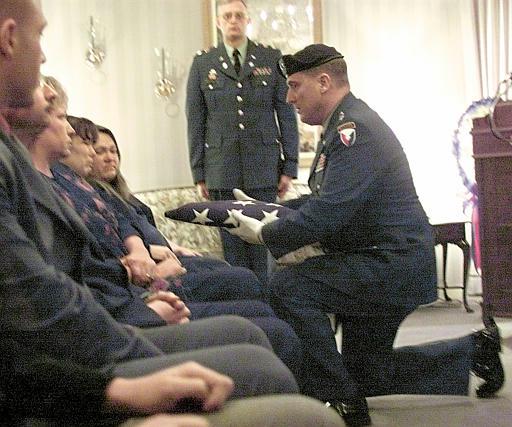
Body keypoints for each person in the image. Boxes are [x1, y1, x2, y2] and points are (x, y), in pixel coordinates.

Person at [0, 3, 344, 426]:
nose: (44, 58)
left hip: (77, 355)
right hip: (72, 360)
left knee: (257, 321)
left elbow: (100, 246)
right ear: (9, 38)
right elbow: (40, 305)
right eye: (39, 36)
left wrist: (117, 388)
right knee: (284, 383)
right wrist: (135, 353)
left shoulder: (22, 160)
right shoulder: (15, 163)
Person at [228, 44, 505, 426]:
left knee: (289, 286)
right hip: (382, 259)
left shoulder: (354, 130)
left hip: (391, 264)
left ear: (324, 82)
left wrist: (266, 234)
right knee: (365, 374)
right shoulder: (343, 124)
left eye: (295, 85)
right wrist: (264, 209)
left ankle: (342, 402)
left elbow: (330, 211)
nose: (289, 97)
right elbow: (326, 200)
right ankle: (475, 351)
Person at [15, 86, 302, 380]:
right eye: (61, 117)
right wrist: (144, 297)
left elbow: (118, 226)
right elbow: (73, 286)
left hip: (126, 299)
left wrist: (142, 255)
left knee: (256, 306)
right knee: (267, 331)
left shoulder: (62, 177)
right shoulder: (31, 190)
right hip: (120, 314)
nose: (71, 129)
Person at [186, 0, 299, 287]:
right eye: (227, 16)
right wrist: (199, 173)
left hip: (264, 169)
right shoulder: (203, 63)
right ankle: (245, 304)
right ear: (218, 22)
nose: (233, 20)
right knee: (233, 251)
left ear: (248, 20)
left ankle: (267, 304)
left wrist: (290, 166)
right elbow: (195, 120)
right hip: (221, 170)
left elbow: (286, 114)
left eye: (239, 15)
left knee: (264, 245)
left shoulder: (270, 58)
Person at [91, 123, 264, 303]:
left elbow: (145, 230)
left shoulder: (122, 195)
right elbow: (118, 248)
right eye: (100, 151)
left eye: (113, 151)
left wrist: (174, 247)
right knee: (243, 279)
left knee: (227, 269)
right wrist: (152, 258)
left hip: (170, 259)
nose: (109, 157)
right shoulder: (97, 200)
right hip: (155, 276)